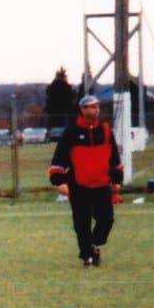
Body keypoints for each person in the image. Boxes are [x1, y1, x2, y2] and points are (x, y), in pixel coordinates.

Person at [48, 92, 123, 268]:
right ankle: (87, 257)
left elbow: (114, 157)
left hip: (102, 184)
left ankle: (95, 245)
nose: (97, 110)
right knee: (82, 224)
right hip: (79, 186)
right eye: (93, 107)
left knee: (107, 219)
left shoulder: (105, 130)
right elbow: (59, 159)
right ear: (83, 109)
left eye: (98, 106)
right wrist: (60, 181)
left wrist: (117, 178)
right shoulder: (71, 132)